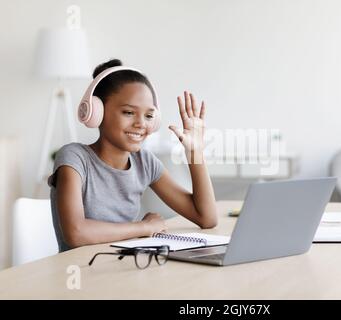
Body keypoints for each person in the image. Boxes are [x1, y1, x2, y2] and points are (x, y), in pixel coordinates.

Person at [48, 58, 217, 252]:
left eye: (149, 116)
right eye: (129, 112)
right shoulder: (74, 158)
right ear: (97, 112)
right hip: (79, 274)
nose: (141, 124)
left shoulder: (144, 162)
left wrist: (195, 152)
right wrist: (144, 227)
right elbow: (76, 233)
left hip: (124, 269)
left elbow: (206, 218)